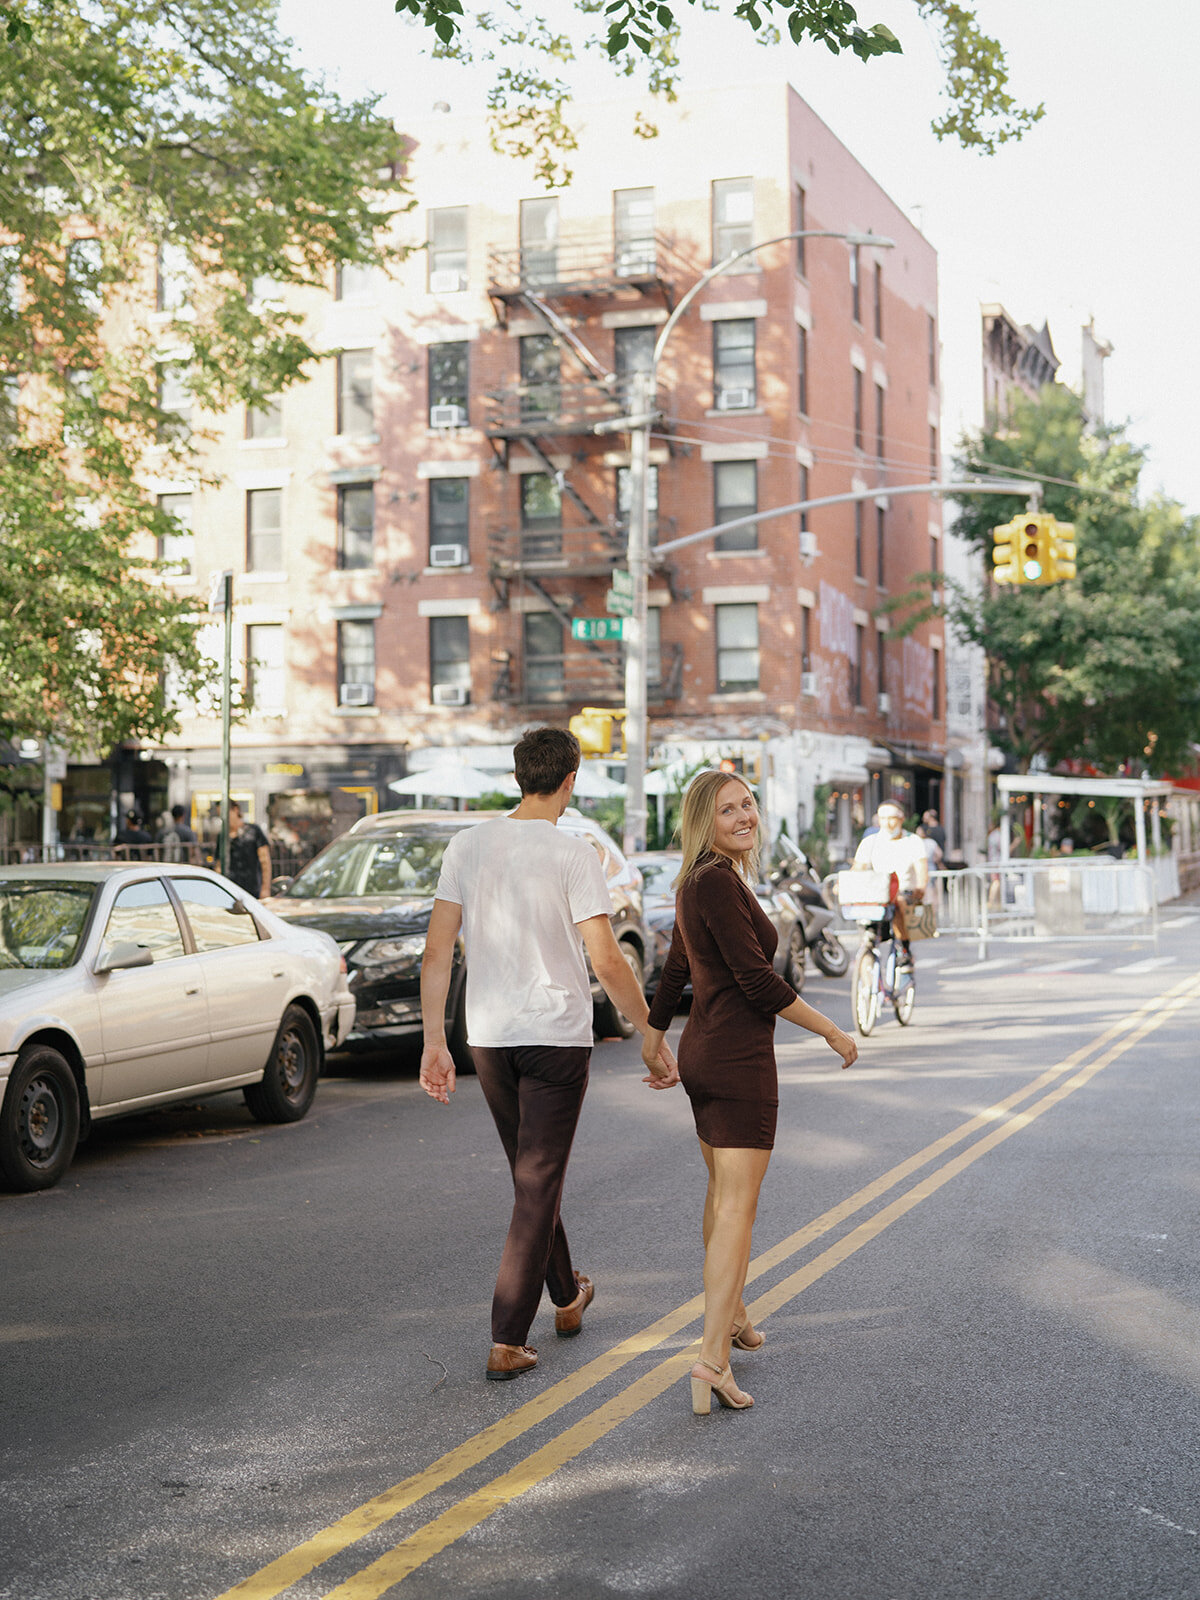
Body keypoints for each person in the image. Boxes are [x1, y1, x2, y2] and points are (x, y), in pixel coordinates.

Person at [418, 727, 678, 1383]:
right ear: (569, 780)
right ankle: (507, 1336)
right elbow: (606, 959)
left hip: (489, 1037)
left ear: (517, 776)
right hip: (556, 1035)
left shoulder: (467, 846)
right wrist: (648, 1031)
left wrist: (433, 1040)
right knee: (536, 1182)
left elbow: (436, 951)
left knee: (535, 1177)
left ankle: (566, 1295)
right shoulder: (573, 853)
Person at [640, 770, 856, 1415]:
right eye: (728, 810)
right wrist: (832, 1032)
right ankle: (711, 1360)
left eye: (749, 804)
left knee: (720, 1195)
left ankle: (733, 1315)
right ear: (704, 822)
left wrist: (655, 1039)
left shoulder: (706, 879)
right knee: (738, 1208)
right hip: (736, 1064)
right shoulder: (714, 881)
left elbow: (679, 963)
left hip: (709, 1055)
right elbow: (758, 982)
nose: (744, 816)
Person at [853, 800, 929, 969]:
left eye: (891, 818)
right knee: (864, 927)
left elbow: (922, 869)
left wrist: (921, 886)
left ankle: (904, 948)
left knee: (898, 902)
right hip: (876, 895)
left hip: (904, 893)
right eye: (882, 818)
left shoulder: (913, 841)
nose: (887, 823)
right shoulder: (870, 842)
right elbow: (856, 870)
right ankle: (865, 983)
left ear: (901, 819)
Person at [227, 802, 272, 898]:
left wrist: (265, 888)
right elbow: (219, 863)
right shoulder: (223, 835)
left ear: (235, 810)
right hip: (230, 888)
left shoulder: (253, 831)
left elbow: (265, 861)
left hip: (252, 888)